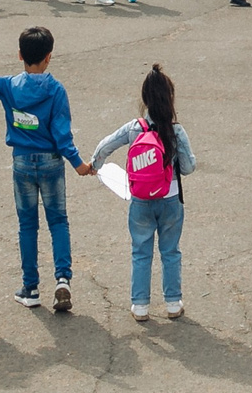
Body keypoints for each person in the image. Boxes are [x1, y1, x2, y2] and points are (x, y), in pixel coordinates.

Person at [0, 24, 87, 311]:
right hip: (51, 161)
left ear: (19, 55)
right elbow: (63, 134)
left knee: (27, 224)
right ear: (49, 56)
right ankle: (63, 279)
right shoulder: (56, 90)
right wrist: (78, 164)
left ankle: (30, 287)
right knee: (58, 221)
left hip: (22, 161)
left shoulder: (9, 87)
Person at [84, 64, 198, 321]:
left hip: (140, 201)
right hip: (170, 200)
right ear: (170, 98)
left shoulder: (134, 128)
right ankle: (172, 303)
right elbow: (189, 167)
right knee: (170, 251)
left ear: (144, 99)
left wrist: (95, 164)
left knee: (141, 251)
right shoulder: (175, 130)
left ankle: (140, 306)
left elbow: (106, 144)